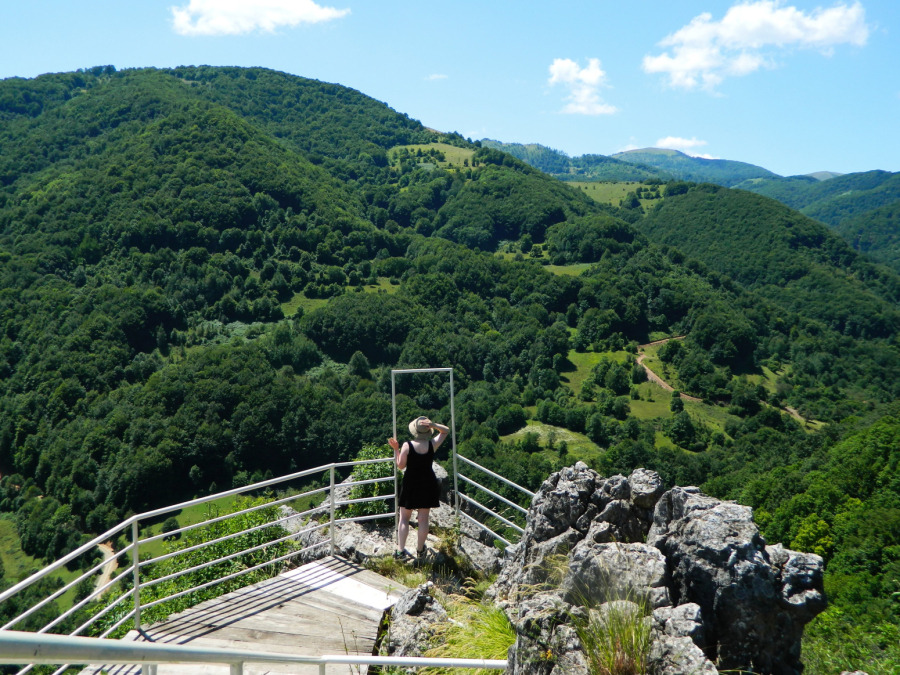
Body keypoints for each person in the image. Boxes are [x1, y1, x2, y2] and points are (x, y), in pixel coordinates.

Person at [388, 416, 449, 561]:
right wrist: (433, 424)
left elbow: (401, 465)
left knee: (404, 518)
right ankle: (420, 551)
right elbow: (445, 431)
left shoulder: (407, 445)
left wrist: (396, 449)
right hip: (427, 482)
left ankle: (400, 552)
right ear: (428, 431)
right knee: (423, 519)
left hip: (411, 482)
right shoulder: (432, 444)